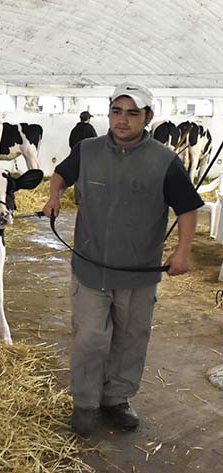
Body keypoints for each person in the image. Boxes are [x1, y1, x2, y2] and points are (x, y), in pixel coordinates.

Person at [42, 83, 204, 437]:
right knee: (89, 339)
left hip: (139, 272)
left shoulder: (165, 160)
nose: (123, 120)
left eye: (133, 113)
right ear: (109, 113)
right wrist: (54, 195)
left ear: (148, 117)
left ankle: (116, 398)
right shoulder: (87, 150)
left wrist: (182, 250)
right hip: (90, 267)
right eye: (117, 111)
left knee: (131, 339)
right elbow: (60, 174)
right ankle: (85, 402)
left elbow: (188, 208)